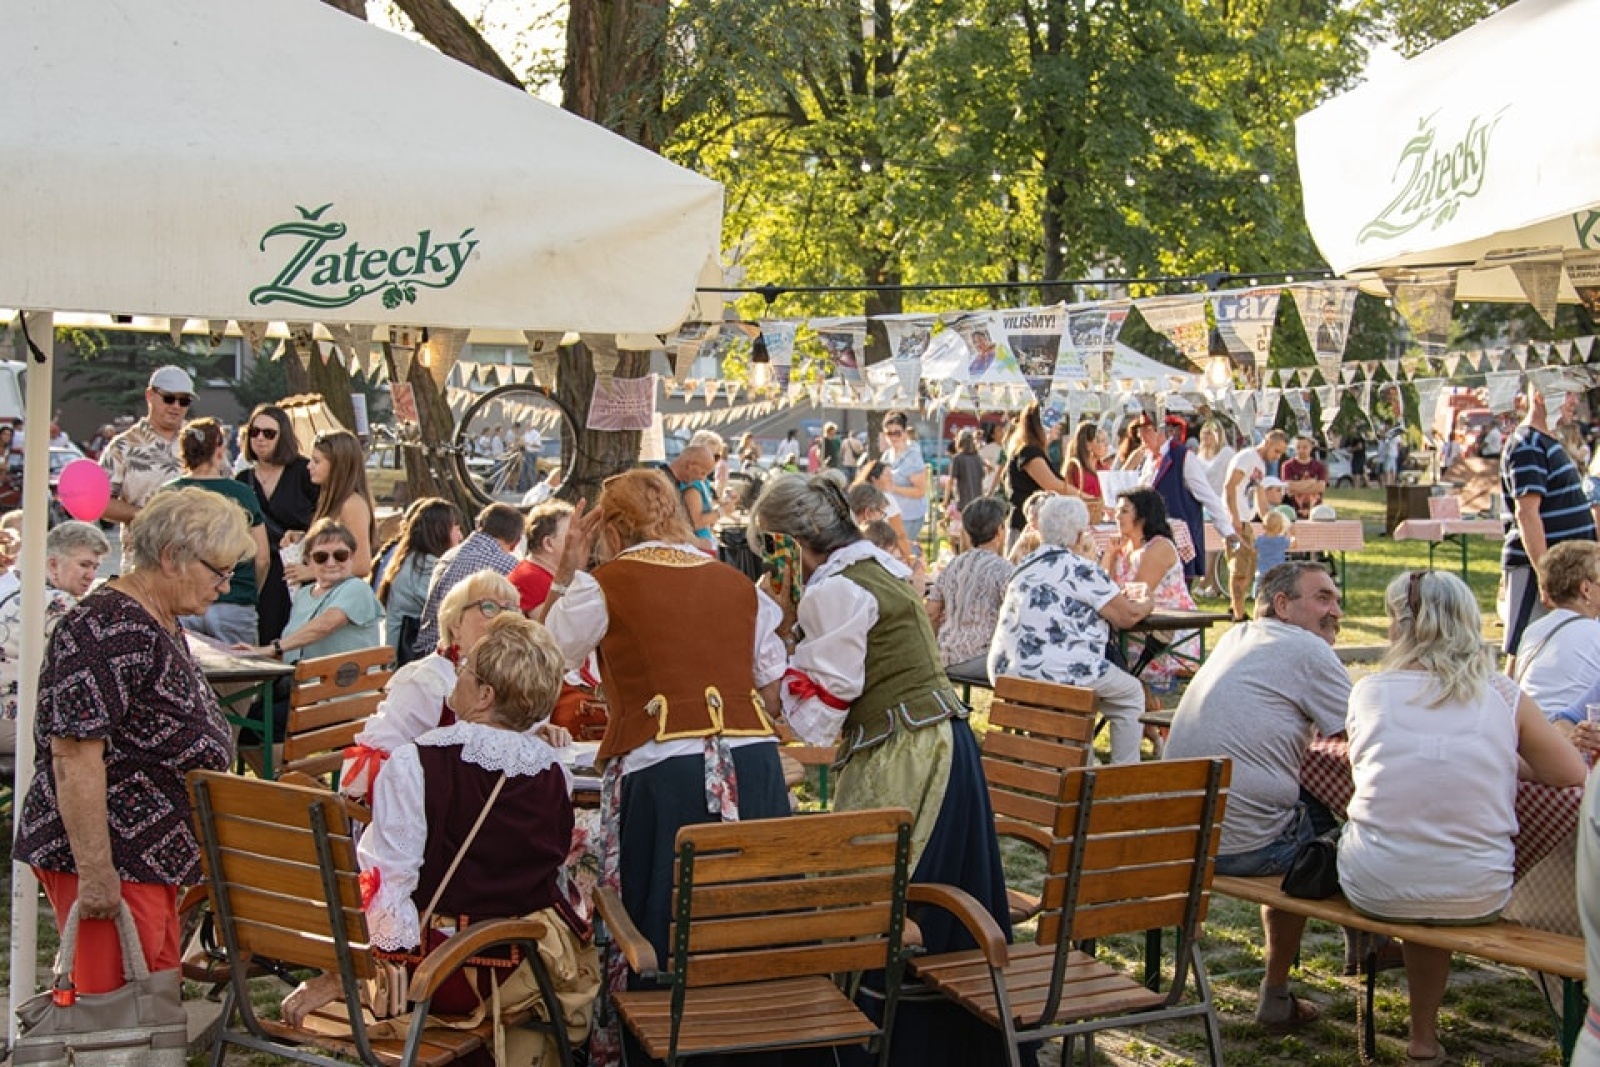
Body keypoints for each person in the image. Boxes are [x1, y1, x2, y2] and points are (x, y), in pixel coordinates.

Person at [751, 472, 1014, 1065]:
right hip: (945, 741)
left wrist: (768, 648)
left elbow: (819, 710)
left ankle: (881, 1043)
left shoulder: (834, 590)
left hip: (906, 757)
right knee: (938, 894)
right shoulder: (879, 567)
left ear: (787, 545)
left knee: (877, 899)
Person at [288, 615, 597, 1066]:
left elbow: (388, 882)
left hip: (441, 970)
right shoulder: (554, 772)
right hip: (523, 967)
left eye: (466, 669)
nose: (457, 673)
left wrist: (354, 978)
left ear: (485, 695)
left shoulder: (417, 762)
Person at [544, 470, 789, 970]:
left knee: (664, 917)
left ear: (610, 532)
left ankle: (672, 1037)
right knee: (754, 911)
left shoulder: (603, 586)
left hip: (665, 771)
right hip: (755, 764)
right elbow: (770, 683)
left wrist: (564, 576)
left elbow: (541, 658)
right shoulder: (737, 583)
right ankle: (756, 1033)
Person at [1338, 570, 1585, 1065]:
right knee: (1436, 861)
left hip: (1374, 885)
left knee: (1389, 841)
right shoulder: (1501, 694)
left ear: (1401, 625)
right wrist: (1502, 750)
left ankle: (1412, 1022)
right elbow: (1570, 773)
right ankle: (1422, 1040)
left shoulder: (1369, 691)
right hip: (1478, 887)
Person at [15, 488, 252, 994]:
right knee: (114, 1006)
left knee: (152, 1000)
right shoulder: (104, 625)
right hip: (114, 857)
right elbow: (74, 756)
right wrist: (97, 873)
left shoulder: (159, 617)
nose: (225, 586)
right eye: (218, 571)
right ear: (171, 557)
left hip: (148, 856)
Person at [1164, 561, 1349, 1032]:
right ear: (1283, 606)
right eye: (1323, 598)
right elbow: (1369, 731)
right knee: (1353, 838)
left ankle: (1361, 947)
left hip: (1184, 837)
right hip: (1245, 847)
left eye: (1336, 599)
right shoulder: (1306, 648)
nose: (1337, 610)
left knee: (1310, 807)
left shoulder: (1237, 636)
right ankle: (1281, 989)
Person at [989, 495, 1153, 764]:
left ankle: (1086, 767)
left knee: (1077, 700)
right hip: (1056, 670)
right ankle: (1125, 774)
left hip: (1007, 670)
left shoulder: (1023, 568)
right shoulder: (1080, 569)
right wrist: (1148, 601)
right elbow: (1128, 616)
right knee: (1131, 694)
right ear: (1079, 535)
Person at [341, 571, 527, 805]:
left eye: (510, 609)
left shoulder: (505, 678)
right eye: (488, 606)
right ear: (455, 625)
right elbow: (376, 761)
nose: (503, 618)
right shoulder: (427, 681)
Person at [1501, 380, 1597, 661]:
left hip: (1568, 569)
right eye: (1566, 394)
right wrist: (1545, 576)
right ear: (1542, 396)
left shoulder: (1548, 441)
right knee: (1524, 650)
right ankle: (1512, 705)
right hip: (1540, 568)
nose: (1573, 402)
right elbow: (1527, 513)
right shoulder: (1527, 444)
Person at [0, 520, 112, 756]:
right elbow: (98, 661)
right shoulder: (57, 602)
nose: (91, 575)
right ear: (53, 563)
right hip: (10, 724)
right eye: (84, 565)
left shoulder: (7, 583)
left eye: (95, 567)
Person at [166, 418, 270, 646]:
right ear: (219, 449)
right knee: (242, 677)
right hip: (234, 600)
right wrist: (250, 594)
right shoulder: (241, 494)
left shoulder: (169, 494)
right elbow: (261, 557)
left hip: (184, 599)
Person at [238, 518, 381, 669]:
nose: (331, 563)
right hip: (304, 684)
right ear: (308, 560)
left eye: (340, 555)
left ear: (351, 557)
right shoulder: (303, 595)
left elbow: (325, 625)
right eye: (321, 557)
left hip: (345, 687)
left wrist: (272, 648)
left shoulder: (357, 588)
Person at [1100, 487, 1198, 694]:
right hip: (1133, 628)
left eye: (1124, 511)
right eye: (1117, 511)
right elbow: (1104, 588)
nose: (1117, 516)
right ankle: (1145, 718)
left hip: (1167, 633)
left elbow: (1136, 593)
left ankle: (1148, 714)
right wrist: (1109, 555)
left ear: (1143, 515)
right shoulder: (1123, 547)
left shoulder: (1158, 547)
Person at [236, 403, 319, 643]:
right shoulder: (244, 478)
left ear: (282, 436)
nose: (260, 439)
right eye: (254, 432)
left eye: (269, 433)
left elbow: (324, 515)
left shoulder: (303, 471)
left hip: (296, 566)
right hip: (261, 568)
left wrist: (304, 536)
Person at [99, 366, 192, 562]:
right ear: (150, 395)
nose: (176, 406)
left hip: (193, 561)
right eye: (168, 398)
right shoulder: (122, 446)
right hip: (142, 560)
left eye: (184, 401)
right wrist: (146, 515)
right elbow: (101, 502)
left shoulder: (200, 441)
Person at [412, 503, 526, 658]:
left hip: (425, 649)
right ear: (515, 543)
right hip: (455, 652)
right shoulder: (509, 565)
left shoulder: (449, 555)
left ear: (479, 525)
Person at [1134, 412, 1236, 581]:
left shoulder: (1183, 457)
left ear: (1161, 431)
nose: (1141, 435)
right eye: (1140, 430)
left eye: (1146, 430)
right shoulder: (1148, 459)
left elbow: (1207, 495)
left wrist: (1227, 531)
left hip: (1177, 539)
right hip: (1150, 538)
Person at [1509, 540, 1600, 723]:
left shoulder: (1532, 630)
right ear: (1586, 589)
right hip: (1571, 736)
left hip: (1527, 733)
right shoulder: (1594, 632)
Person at [926, 497, 1012, 677]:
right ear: (999, 530)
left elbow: (931, 613)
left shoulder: (953, 565)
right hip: (980, 657)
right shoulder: (1004, 569)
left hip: (944, 655)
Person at [376, 498, 463, 667]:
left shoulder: (411, 559)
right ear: (440, 531)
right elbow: (451, 609)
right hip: (405, 663)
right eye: (456, 528)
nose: (460, 536)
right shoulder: (424, 569)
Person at [290, 430, 377, 582]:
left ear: (338, 465)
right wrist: (303, 539)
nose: (309, 466)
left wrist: (313, 572)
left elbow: (362, 565)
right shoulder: (331, 499)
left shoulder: (352, 504)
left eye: (316, 461)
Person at [1223, 430, 1289, 621]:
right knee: (1239, 568)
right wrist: (1234, 518)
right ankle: (1238, 613)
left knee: (1250, 567)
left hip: (1246, 521)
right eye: (1276, 451)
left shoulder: (1260, 465)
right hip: (1235, 521)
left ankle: (1236, 606)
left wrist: (1271, 518)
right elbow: (1229, 486)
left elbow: (1259, 497)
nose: (1277, 456)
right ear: (1267, 442)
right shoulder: (1247, 457)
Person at [1002, 402, 1073, 541]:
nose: (1059, 425)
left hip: (1035, 525)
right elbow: (1052, 485)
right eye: (1054, 421)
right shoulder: (1029, 452)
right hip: (1026, 528)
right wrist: (1082, 495)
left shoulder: (1035, 452)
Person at [507, 501, 573, 613]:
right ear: (548, 543)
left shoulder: (534, 572)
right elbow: (556, 626)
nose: (580, 538)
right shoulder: (531, 580)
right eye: (570, 535)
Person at [1195, 420, 1236, 592]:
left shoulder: (1227, 453)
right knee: (1205, 541)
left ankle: (1207, 579)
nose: (1206, 436)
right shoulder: (1198, 456)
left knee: (1213, 540)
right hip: (1201, 504)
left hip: (1219, 503)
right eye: (1204, 432)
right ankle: (1209, 580)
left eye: (1210, 433)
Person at [880, 409, 929, 543]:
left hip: (909, 517)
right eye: (889, 433)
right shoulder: (886, 455)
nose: (893, 437)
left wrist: (893, 488)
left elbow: (920, 491)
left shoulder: (913, 457)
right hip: (891, 515)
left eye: (897, 432)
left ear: (905, 433)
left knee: (903, 554)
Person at [668, 443, 718, 552]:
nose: (702, 478)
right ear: (690, 465)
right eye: (702, 473)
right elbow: (665, 526)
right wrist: (697, 542)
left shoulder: (676, 483)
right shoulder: (664, 484)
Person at [1279, 435, 1328, 519]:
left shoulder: (1320, 466)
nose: (1301, 450)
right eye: (1298, 447)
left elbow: (1321, 487)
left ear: (1311, 448)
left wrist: (1297, 488)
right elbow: (1288, 486)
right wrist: (1310, 483)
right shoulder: (1287, 465)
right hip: (1291, 510)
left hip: (1315, 511)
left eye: (1305, 447)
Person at [944, 428, 987, 518]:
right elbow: (983, 475)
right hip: (977, 499)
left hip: (963, 500)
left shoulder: (958, 458)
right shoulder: (977, 458)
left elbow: (951, 480)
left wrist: (946, 499)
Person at [1063, 420, 1108, 506]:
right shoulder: (1075, 469)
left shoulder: (1104, 468)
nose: (1106, 444)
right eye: (1101, 441)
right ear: (1088, 445)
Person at [1254, 508, 1293, 584]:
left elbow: (1253, 550)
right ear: (1280, 528)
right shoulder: (1282, 540)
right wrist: (1293, 535)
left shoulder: (1260, 540)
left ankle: (1256, 595)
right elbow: (1293, 544)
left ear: (1263, 526)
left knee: (1259, 588)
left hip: (1262, 572)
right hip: (1277, 572)